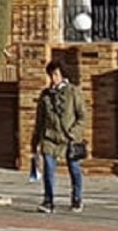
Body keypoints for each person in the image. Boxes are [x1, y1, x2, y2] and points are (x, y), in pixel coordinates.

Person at [32, 61, 90, 213]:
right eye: (51, 75)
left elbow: (83, 116)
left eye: (56, 74)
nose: (53, 78)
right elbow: (39, 120)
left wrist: (74, 133)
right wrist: (35, 141)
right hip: (50, 138)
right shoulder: (45, 95)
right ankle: (48, 201)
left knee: (74, 169)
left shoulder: (73, 92)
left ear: (62, 75)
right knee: (49, 169)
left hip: (69, 139)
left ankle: (77, 198)